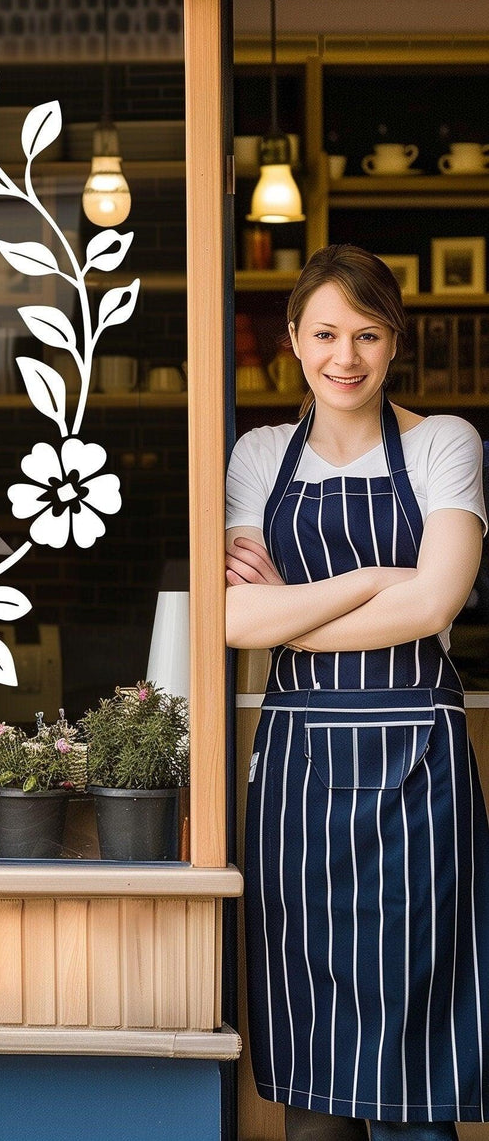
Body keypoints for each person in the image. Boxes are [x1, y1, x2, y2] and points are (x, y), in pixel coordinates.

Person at [225, 244, 489, 1140]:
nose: (347, 356)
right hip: (297, 780)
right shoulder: (258, 456)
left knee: (415, 1073)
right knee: (314, 1071)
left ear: (394, 341)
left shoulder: (444, 442)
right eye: (327, 332)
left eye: (367, 334)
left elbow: (436, 600)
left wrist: (286, 613)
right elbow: (228, 623)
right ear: (293, 339)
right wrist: (376, 577)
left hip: (416, 775)